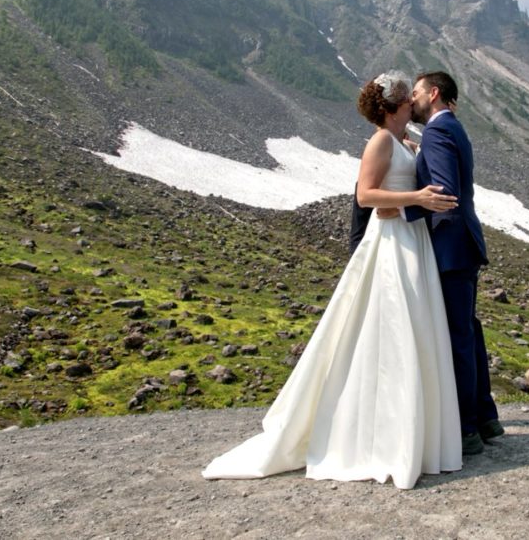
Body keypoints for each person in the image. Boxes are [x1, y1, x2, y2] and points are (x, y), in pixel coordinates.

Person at [202, 71, 462, 489]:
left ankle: (416, 435)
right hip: (392, 242)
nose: (415, 102)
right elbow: (366, 196)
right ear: (397, 105)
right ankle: (392, 437)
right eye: (408, 98)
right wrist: (415, 198)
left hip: (411, 239)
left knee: (414, 328)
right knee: (393, 328)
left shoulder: (401, 141)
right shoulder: (380, 141)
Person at [403, 71, 503, 456]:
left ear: (434, 93)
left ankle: (465, 429)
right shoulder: (449, 128)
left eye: (415, 94)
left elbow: (443, 192)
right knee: (468, 330)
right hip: (462, 243)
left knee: (456, 335)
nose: (412, 101)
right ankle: (485, 416)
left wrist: (399, 206)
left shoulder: (437, 131)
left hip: (450, 246)